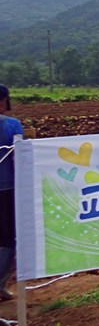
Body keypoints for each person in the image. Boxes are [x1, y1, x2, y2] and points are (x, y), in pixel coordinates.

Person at [0, 84, 23, 300]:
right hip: (5, 188)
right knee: (8, 238)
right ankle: (0, 284)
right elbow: (21, 156)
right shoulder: (12, 125)